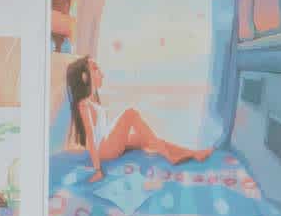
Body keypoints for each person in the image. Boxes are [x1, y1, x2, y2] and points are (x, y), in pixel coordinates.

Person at [62, 55, 211, 184]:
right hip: (105, 150)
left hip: (107, 144)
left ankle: (192, 153)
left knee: (146, 139)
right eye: (95, 69)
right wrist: (97, 170)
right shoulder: (84, 105)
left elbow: (99, 131)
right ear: (85, 76)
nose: (102, 74)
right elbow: (91, 137)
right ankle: (170, 156)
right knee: (130, 113)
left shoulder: (92, 101)